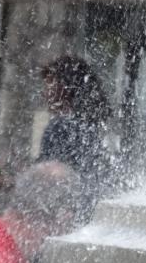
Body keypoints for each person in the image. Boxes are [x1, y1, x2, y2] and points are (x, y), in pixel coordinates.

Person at [40, 55, 112, 215]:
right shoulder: (91, 124)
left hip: (67, 213)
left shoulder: (59, 127)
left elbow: (47, 180)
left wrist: (11, 181)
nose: (44, 94)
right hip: (93, 211)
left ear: (65, 88)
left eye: (50, 85)